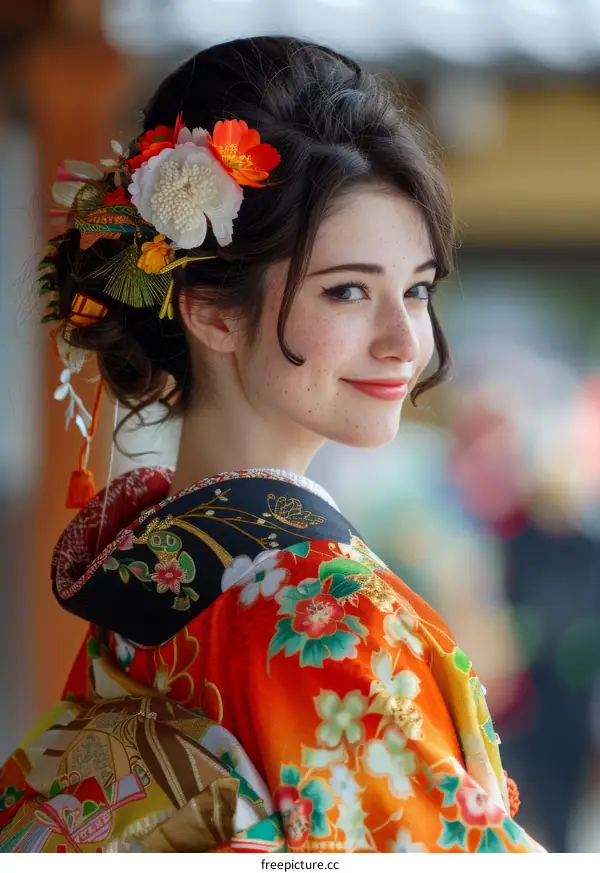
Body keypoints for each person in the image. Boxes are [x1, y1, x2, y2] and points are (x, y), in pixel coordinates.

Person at [0, 36, 543, 853]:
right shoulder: (331, 613)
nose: (406, 340)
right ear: (211, 310)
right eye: (350, 290)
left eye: (418, 289)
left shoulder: (149, 577)